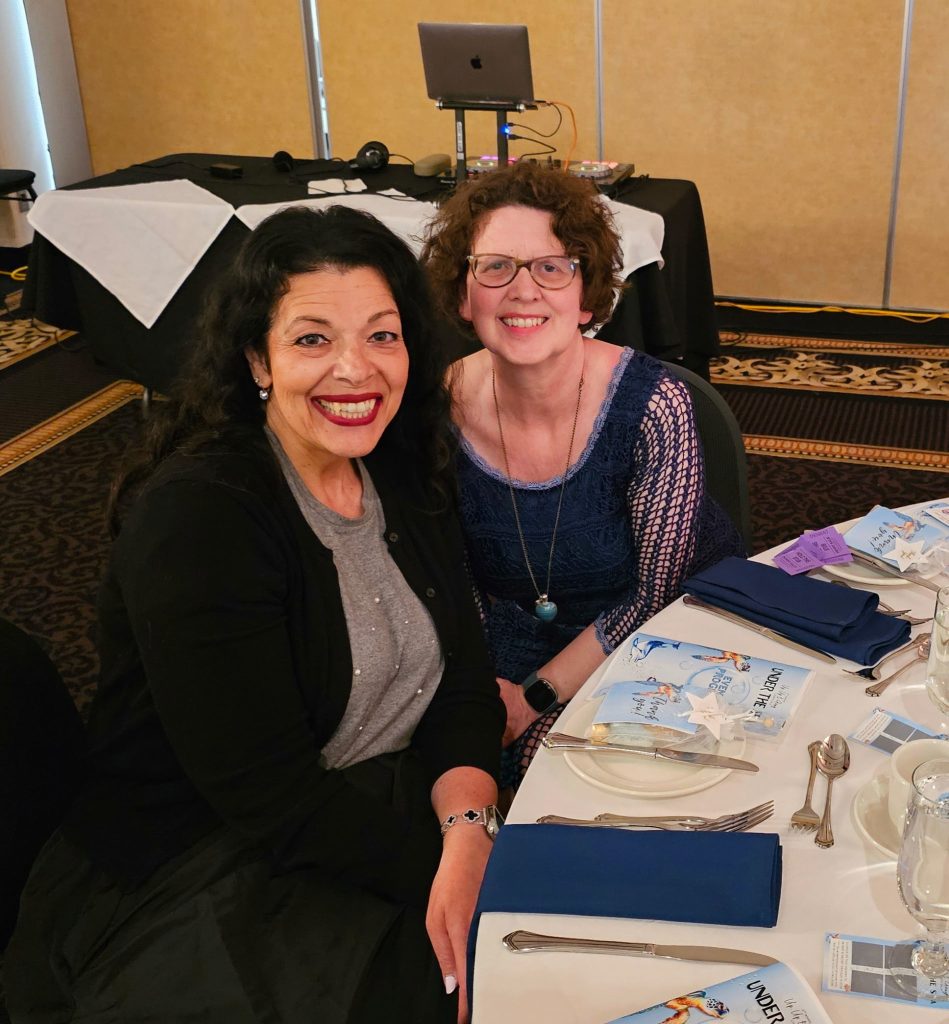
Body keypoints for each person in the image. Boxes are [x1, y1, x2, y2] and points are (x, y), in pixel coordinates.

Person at [4, 206, 504, 1024]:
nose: (356, 369)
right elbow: (270, 797)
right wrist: (446, 870)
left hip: (364, 817)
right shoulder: (202, 518)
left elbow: (462, 682)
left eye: (382, 336)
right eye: (312, 339)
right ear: (256, 359)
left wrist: (471, 831)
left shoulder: (400, 469)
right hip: (205, 869)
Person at [422, 162, 743, 786]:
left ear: (586, 295)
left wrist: (535, 698)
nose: (523, 290)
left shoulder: (654, 406)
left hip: (665, 626)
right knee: (466, 764)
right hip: (518, 634)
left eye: (552, 267)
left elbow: (654, 596)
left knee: (593, 781)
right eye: (495, 266)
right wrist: (487, 690)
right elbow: (456, 582)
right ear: (463, 295)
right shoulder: (436, 412)